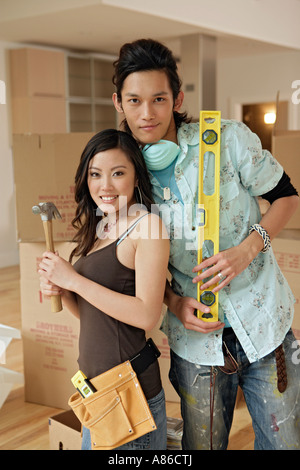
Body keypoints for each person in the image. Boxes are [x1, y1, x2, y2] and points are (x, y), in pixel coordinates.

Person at [112, 38, 300, 450]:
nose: (147, 113)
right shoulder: (122, 175)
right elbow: (127, 268)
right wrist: (175, 303)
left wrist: (249, 247)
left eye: (159, 99)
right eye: (135, 100)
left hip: (266, 324)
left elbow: (287, 196)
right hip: (196, 342)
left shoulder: (229, 140)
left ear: (176, 98)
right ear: (118, 103)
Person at [39, 129, 170, 450]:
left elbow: (146, 315)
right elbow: (90, 314)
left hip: (128, 393)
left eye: (118, 173)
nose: (105, 186)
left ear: (136, 176)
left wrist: (73, 280)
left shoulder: (148, 225)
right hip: (95, 391)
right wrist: (61, 287)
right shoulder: (99, 227)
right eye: (96, 174)